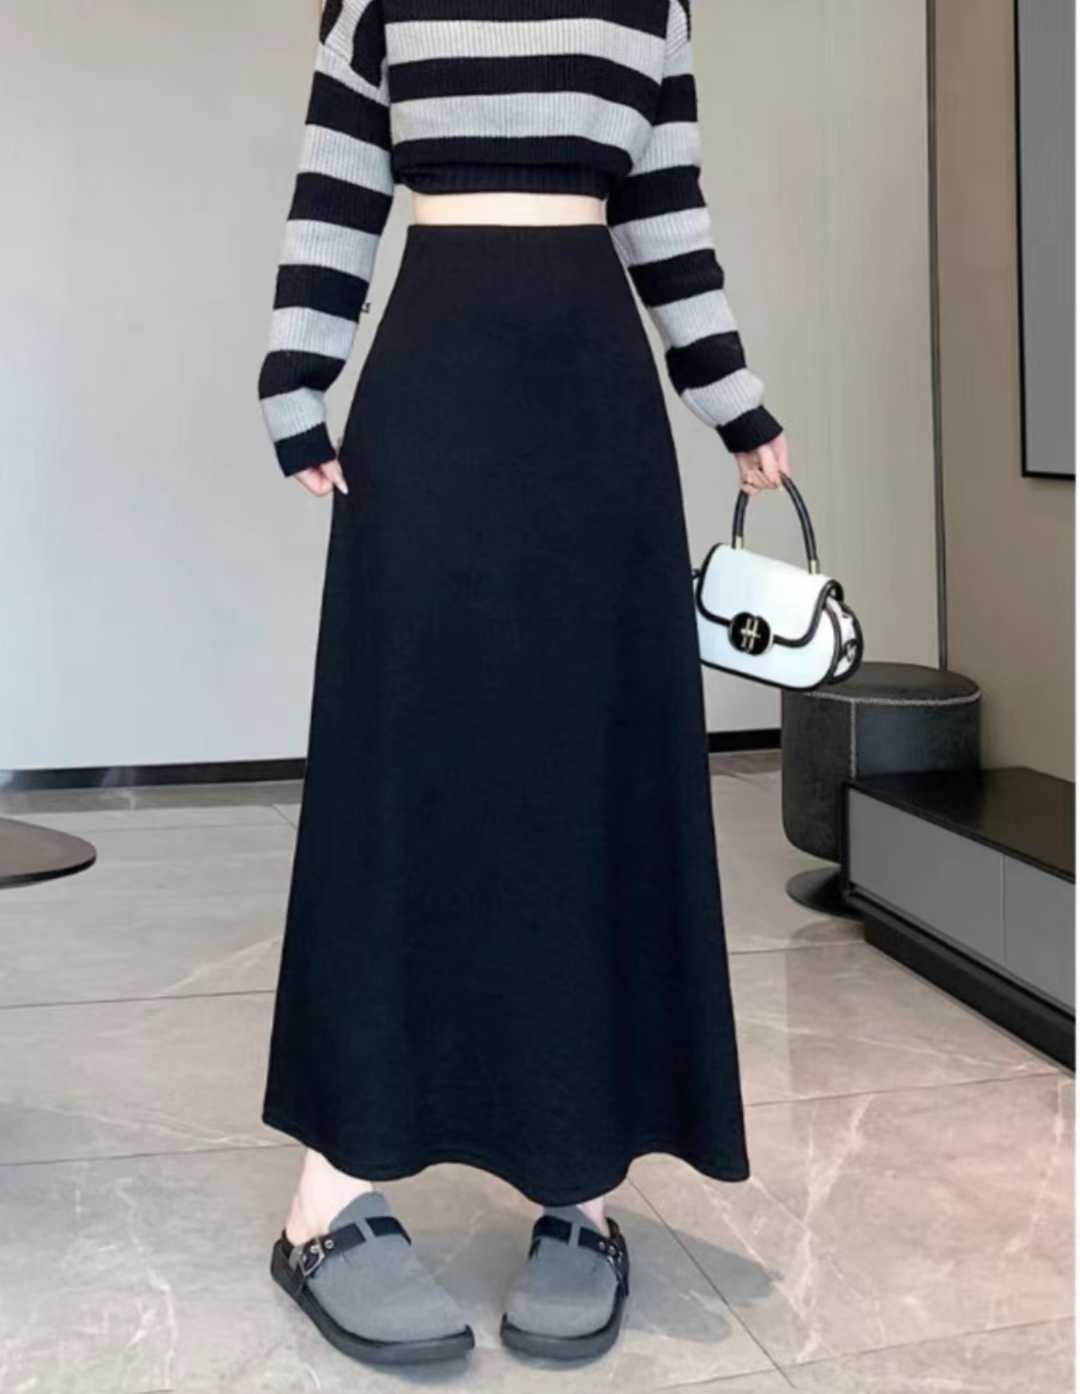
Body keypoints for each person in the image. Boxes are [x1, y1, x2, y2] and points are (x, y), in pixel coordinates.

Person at [256, 0, 790, 1367]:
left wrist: (732, 398)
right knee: (405, 778)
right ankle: (328, 1196)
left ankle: (579, 1182)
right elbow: (337, 185)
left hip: (594, 419)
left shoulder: (652, 8)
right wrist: (297, 376)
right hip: (432, 406)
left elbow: (667, 212)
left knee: (581, 784)